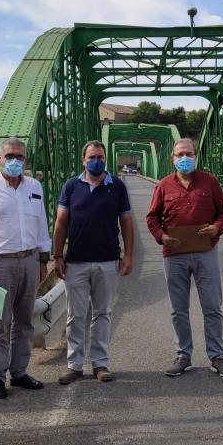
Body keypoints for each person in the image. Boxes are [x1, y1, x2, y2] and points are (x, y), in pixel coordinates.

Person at [0, 137, 52, 400]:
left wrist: (42, 260)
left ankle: (19, 372)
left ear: (26, 160)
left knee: (24, 321)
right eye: (10, 156)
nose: (15, 161)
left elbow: (41, 225)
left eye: (20, 157)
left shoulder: (35, 187)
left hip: (29, 261)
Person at [146, 138, 223, 378]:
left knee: (212, 306)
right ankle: (183, 356)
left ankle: (217, 357)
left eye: (188, 153)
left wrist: (217, 228)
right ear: (173, 159)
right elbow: (152, 217)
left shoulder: (210, 182)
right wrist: (161, 236)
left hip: (206, 252)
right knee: (178, 309)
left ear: (195, 156)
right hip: (174, 255)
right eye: (179, 154)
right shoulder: (164, 185)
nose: (184, 158)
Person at [52, 141, 134, 384]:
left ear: (105, 158)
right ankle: (74, 365)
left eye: (100, 156)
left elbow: (127, 222)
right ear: (83, 160)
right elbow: (60, 223)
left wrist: (128, 255)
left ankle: (100, 364)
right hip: (76, 260)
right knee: (75, 315)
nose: (96, 160)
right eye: (91, 156)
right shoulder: (71, 186)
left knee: (102, 313)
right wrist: (57, 256)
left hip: (108, 260)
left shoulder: (117, 186)